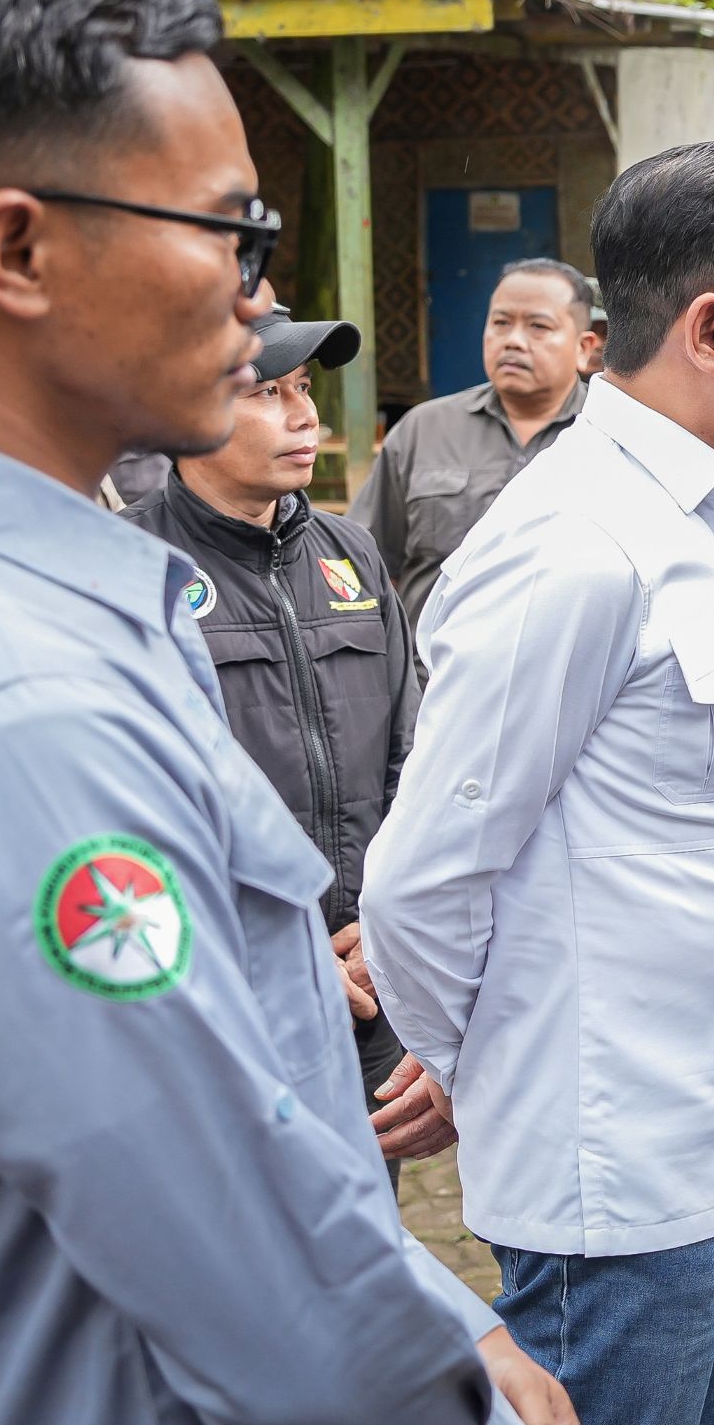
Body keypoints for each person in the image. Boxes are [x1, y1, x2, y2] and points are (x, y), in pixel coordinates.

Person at [0, 0, 581, 1425]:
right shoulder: (9, 712)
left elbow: (243, 1116)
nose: (260, 298)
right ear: (20, 251)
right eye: (229, 232)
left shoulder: (35, 601)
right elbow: (256, 1286)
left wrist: (447, 1312)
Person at [364, 141, 714, 1425]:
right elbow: (422, 874)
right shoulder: (579, 541)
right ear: (708, 326)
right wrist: (482, 1059)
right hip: (624, 1177)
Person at [123, 308, 447, 1169]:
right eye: (266, 392)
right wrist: (278, 947)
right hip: (217, 985)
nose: (305, 415)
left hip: (363, 985)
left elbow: (414, 758)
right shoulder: (122, 569)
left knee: (360, 1232)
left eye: (303, 389)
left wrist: (386, 927)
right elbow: (125, 812)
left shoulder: (350, 555)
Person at [349, 254, 600, 628]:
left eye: (538, 327)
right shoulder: (424, 430)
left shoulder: (611, 433)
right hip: (432, 682)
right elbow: (364, 563)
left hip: (572, 683)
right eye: (500, 322)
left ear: (584, 348)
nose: (513, 341)